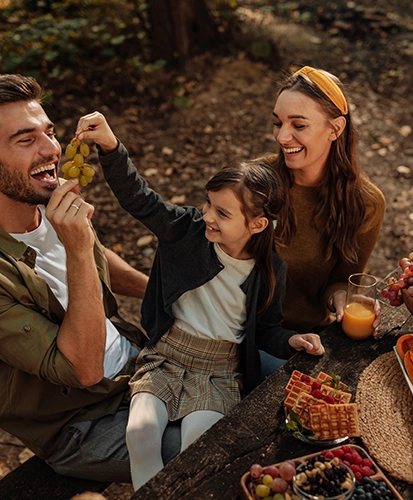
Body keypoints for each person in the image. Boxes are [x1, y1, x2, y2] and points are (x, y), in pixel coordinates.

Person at [0, 74, 180, 484]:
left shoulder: (40, 196)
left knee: (263, 373)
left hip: (138, 362)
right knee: (216, 442)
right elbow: (82, 369)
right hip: (82, 421)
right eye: (25, 140)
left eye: (50, 132)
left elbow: (98, 258)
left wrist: (165, 292)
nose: (51, 150)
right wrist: (77, 247)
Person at [73, 111, 325, 489]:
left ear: (256, 225)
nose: (207, 215)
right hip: (166, 357)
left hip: (220, 369)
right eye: (208, 204)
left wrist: (290, 340)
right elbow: (140, 199)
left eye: (222, 213)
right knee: (140, 435)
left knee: (195, 447)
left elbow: (268, 328)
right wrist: (111, 147)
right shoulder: (187, 231)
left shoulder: (270, 269)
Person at [261, 66, 386, 334]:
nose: (282, 136)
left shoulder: (366, 203)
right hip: (243, 333)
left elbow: (340, 282)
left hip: (310, 337)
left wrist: (342, 298)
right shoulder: (255, 183)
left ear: (335, 128)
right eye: (277, 123)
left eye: (299, 125)